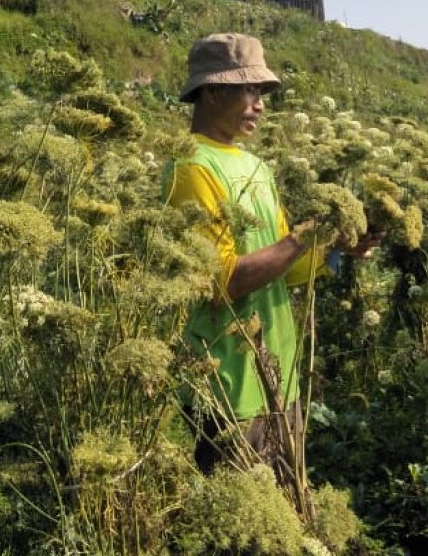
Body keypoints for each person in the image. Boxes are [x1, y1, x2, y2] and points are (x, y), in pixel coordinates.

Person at [161, 32, 380, 485]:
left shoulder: (255, 167)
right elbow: (222, 281)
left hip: (277, 373)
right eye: (249, 89)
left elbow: (284, 270)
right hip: (229, 382)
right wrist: (302, 237)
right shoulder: (192, 167)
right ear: (211, 90)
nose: (260, 103)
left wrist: (335, 247)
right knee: (244, 530)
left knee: (290, 511)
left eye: (262, 92)